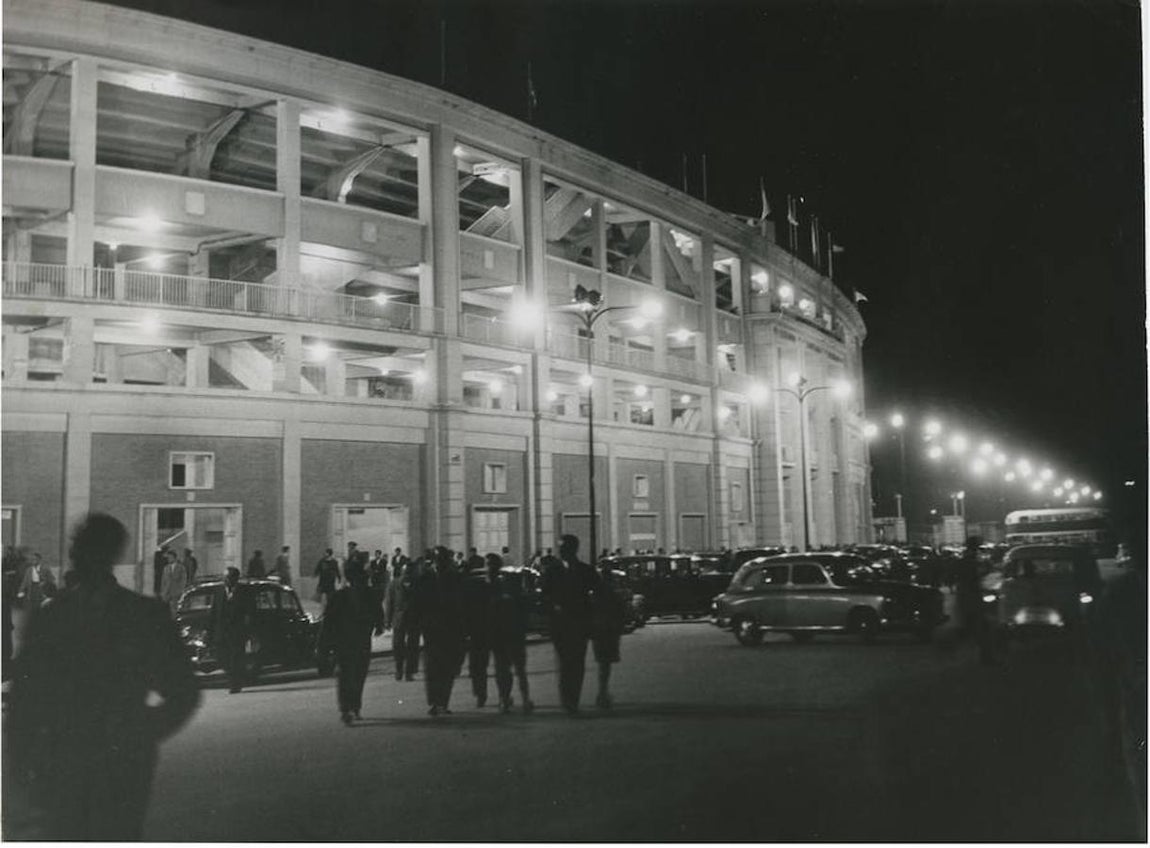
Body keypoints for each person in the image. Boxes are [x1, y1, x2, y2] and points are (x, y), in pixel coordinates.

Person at [6, 513, 200, 840]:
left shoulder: (140, 616)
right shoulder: (52, 618)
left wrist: (138, 732)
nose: (79, 554)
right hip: (66, 768)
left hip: (113, 769)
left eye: (86, 546)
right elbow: (23, 707)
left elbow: (183, 690)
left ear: (106, 553)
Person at [540, 534, 601, 714]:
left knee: (577, 661)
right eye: (560, 548)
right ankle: (567, 699)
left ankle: (573, 699)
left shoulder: (586, 570)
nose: (561, 551)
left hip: (580, 622)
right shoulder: (552, 571)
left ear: (573, 549)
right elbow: (545, 594)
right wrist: (553, 607)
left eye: (564, 548)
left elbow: (597, 592)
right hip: (560, 624)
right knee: (565, 661)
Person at [319, 559, 384, 725]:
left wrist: (378, 625)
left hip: (352, 641)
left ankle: (350, 707)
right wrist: (379, 625)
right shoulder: (361, 594)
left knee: (352, 674)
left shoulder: (345, 596)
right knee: (352, 674)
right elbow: (329, 621)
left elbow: (328, 621)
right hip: (352, 641)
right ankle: (350, 707)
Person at [477, 553, 534, 714]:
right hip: (499, 633)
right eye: (488, 565)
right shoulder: (487, 586)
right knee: (504, 669)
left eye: (491, 565)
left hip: (511, 631)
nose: (489, 568)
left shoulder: (505, 584)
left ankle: (521, 698)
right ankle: (507, 698)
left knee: (516, 668)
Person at [419, 546, 466, 716]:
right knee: (432, 668)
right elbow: (419, 603)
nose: (439, 563)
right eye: (437, 560)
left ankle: (443, 702)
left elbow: (462, 605)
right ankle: (434, 702)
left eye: (442, 560)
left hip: (450, 630)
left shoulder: (455, 578)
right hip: (432, 630)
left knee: (447, 668)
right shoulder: (425, 577)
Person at [591, 562, 628, 710]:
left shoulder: (596, 594)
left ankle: (602, 692)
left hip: (599, 629)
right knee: (605, 665)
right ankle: (602, 693)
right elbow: (620, 611)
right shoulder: (612, 593)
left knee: (602, 663)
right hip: (609, 630)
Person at [211, 567, 253, 693]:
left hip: (237, 631)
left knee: (236, 658)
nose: (225, 580)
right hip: (222, 631)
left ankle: (235, 684)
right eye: (224, 577)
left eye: (228, 578)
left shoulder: (245, 591)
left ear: (235, 579)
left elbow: (250, 612)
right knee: (221, 657)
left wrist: (248, 631)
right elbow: (214, 612)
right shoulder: (219, 591)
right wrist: (209, 631)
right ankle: (235, 677)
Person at [385, 558, 422, 680]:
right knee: (397, 646)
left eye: (409, 572)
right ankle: (399, 670)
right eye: (405, 572)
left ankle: (409, 672)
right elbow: (389, 603)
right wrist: (387, 620)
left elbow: (423, 602)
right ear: (401, 572)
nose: (407, 575)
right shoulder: (394, 584)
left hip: (414, 619)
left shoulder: (418, 584)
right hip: (399, 619)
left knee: (413, 646)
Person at [160, 548, 188, 615]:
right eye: (168, 558)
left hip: (176, 592)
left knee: (175, 609)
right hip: (166, 592)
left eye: (170, 557)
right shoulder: (166, 568)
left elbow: (183, 580)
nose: (168, 559)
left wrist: (180, 590)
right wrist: (162, 591)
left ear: (174, 557)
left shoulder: (181, 567)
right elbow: (163, 580)